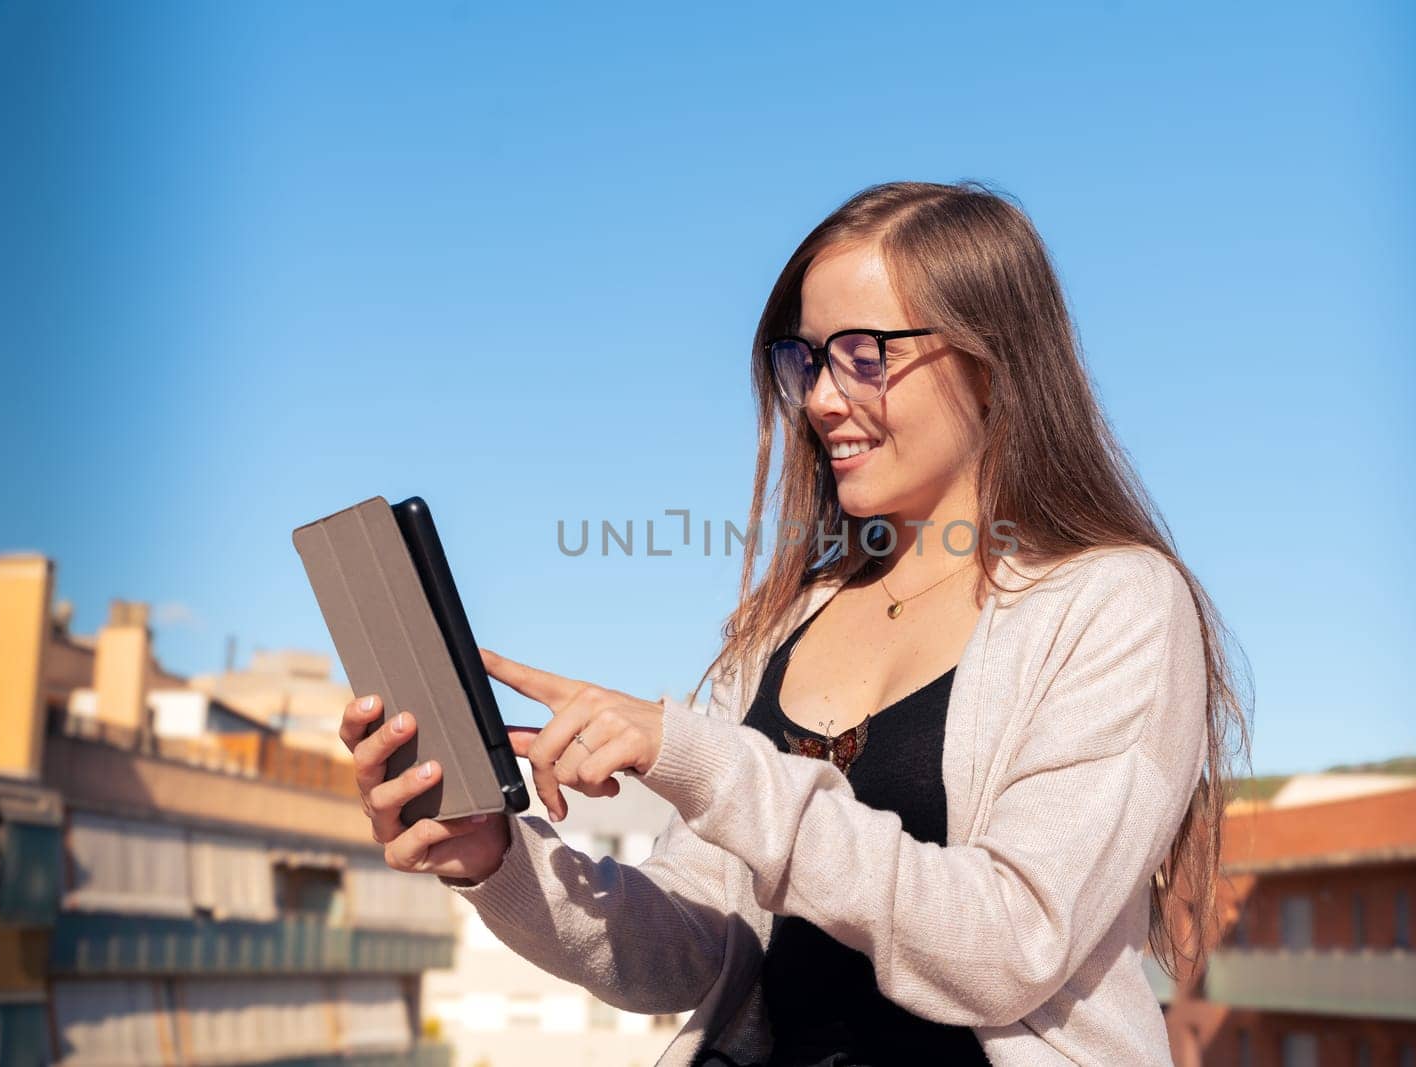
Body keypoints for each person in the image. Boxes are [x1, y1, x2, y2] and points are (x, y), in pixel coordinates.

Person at [338, 180, 1250, 1066]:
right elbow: (695, 944)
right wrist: (498, 859)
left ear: (991, 360)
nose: (817, 398)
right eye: (806, 358)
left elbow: (1011, 944)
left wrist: (698, 757)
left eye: (865, 354)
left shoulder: (1115, 603)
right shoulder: (786, 621)